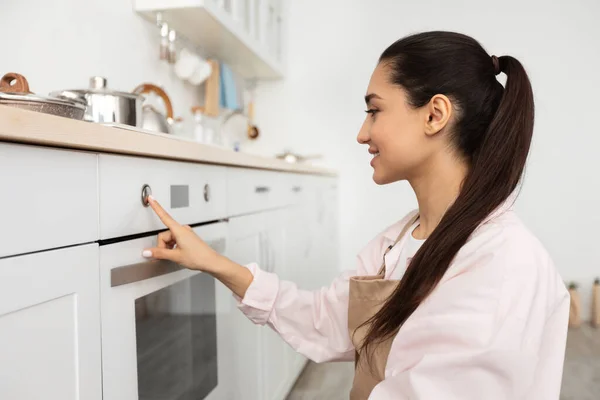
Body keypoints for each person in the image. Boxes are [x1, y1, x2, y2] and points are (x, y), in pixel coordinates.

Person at [141, 31, 569, 400]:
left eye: (375, 110)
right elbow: (327, 321)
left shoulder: (502, 264)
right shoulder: (399, 242)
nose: (362, 133)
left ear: (435, 115)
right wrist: (215, 262)